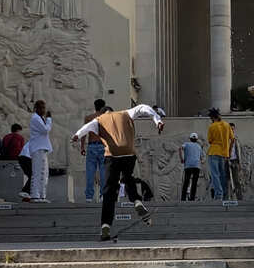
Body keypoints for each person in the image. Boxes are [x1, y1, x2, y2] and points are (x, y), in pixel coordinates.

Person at [72, 103, 164, 241]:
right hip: (128, 153)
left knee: (109, 191)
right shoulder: (125, 113)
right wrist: (158, 120)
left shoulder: (98, 120)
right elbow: (143, 107)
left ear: (102, 113)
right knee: (128, 178)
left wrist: (76, 136)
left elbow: (85, 129)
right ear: (112, 111)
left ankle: (105, 225)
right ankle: (137, 201)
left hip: (112, 156)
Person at [80, 99, 106, 203]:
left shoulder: (88, 118)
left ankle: (89, 197)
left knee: (90, 172)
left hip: (91, 146)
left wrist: (82, 147)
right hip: (103, 146)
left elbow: (83, 133)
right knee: (103, 172)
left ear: (95, 106)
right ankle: (102, 195)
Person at [27, 100, 53, 203]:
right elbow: (45, 130)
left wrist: (47, 119)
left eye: (44, 108)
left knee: (44, 172)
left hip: (42, 148)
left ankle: (42, 195)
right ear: (36, 108)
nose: (43, 110)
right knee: (37, 172)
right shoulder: (35, 119)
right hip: (37, 148)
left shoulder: (41, 118)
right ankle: (35, 195)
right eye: (41, 108)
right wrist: (49, 119)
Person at [206, 108, 232, 201]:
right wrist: (228, 150)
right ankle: (225, 195)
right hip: (224, 153)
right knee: (223, 175)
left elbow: (210, 140)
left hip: (214, 152)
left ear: (213, 117)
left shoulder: (212, 126)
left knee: (215, 174)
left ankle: (218, 194)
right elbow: (232, 139)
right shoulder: (227, 125)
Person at [180, 132, 204, 201]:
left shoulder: (186, 144)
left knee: (186, 182)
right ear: (196, 139)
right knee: (194, 182)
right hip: (197, 166)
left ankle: (183, 198)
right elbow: (201, 157)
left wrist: (182, 158)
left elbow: (180, 148)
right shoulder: (199, 146)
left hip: (188, 166)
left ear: (190, 138)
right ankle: (192, 198)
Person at [227, 122, 243, 200]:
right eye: (230, 129)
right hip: (226, 161)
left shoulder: (236, 140)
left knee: (237, 180)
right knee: (227, 181)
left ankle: (239, 198)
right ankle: (228, 198)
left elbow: (238, 152)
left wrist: (239, 163)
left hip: (235, 161)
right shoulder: (225, 140)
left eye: (233, 129)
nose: (232, 131)